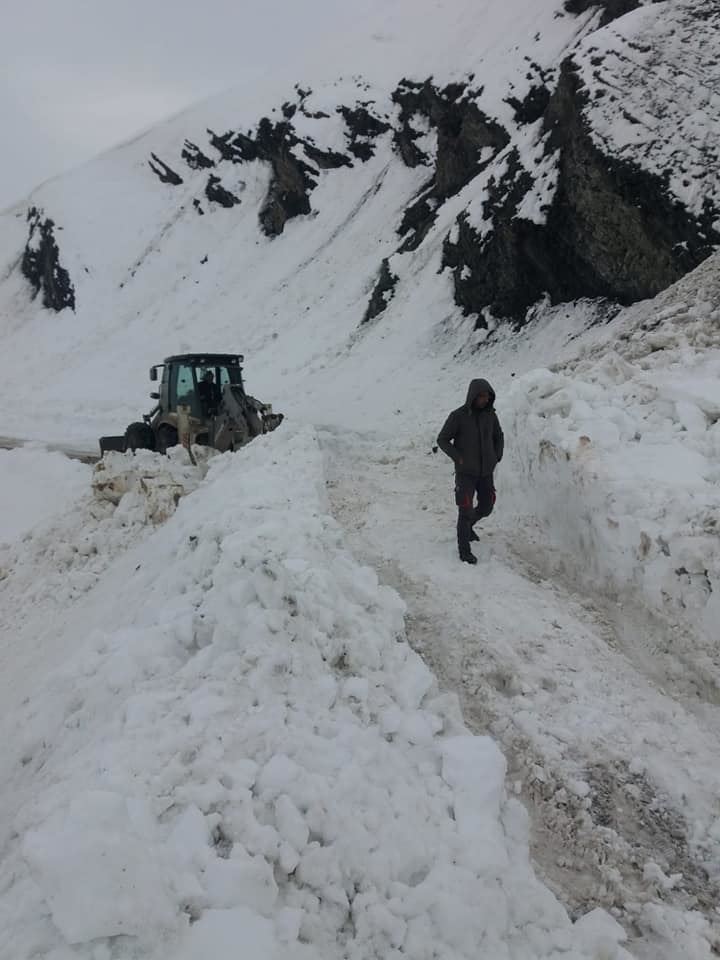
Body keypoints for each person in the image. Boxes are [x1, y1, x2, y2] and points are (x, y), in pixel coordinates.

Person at [437, 378, 504, 564]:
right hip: (466, 472)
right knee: (465, 510)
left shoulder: (491, 415)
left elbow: (499, 436)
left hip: (486, 472)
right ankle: (464, 551)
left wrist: (497, 455)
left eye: (487, 396)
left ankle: (468, 527)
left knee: (486, 507)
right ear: (473, 396)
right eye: (481, 396)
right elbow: (442, 439)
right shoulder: (458, 416)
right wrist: (458, 457)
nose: (484, 400)